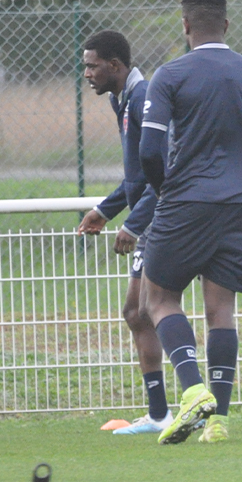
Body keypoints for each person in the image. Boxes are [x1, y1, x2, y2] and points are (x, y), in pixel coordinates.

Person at [139, 0, 242, 445]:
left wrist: (165, 190)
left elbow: (149, 150)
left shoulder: (170, 74)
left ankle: (194, 390)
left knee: (157, 299)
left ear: (185, 25)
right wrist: (238, 188)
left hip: (185, 201)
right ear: (227, 24)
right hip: (236, 204)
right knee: (222, 311)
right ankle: (219, 423)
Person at [76, 30, 170, 435]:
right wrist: (105, 210)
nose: (87, 73)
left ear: (115, 66)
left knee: (147, 310)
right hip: (149, 217)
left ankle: (174, 409)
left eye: (92, 65)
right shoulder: (124, 98)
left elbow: (159, 173)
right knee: (139, 312)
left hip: (161, 218)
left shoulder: (144, 96)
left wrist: (134, 222)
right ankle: (161, 412)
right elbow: (136, 176)